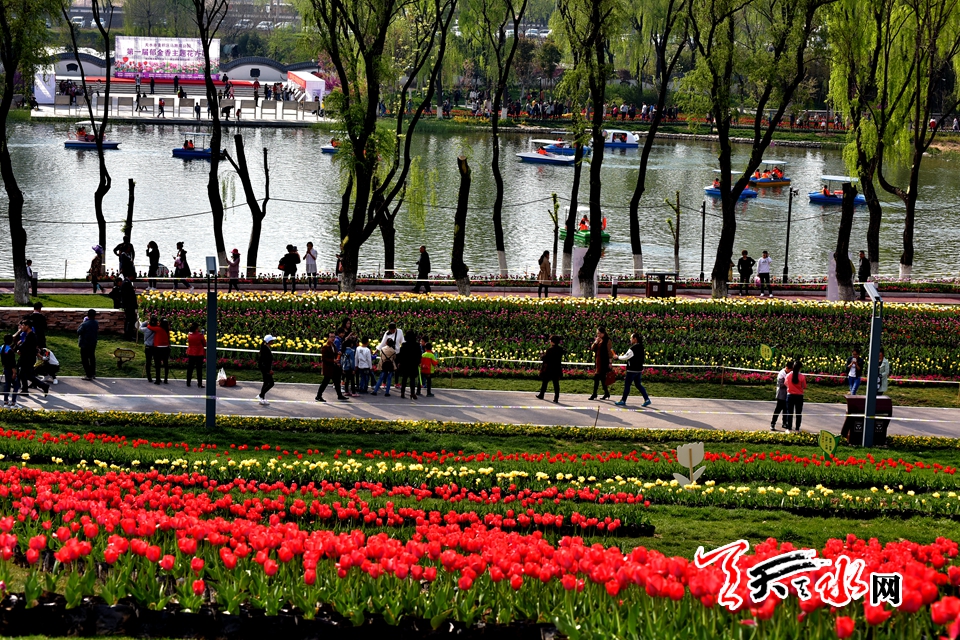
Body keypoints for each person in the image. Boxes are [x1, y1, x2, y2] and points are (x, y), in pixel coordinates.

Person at [615, 333, 651, 407]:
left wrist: (617, 357)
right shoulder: (641, 347)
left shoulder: (633, 348)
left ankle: (623, 400)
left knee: (627, 385)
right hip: (639, 370)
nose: (630, 339)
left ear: (635, 339)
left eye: (631, 338)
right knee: (638, 385)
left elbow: (626, 357)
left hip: (632, 370)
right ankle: (647, 399)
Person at [16, 319, 48, 398]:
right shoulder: (29, 335)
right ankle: (25, 390)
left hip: (28, 359)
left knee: (26, 375)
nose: (21, 327)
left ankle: (42, 386)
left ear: (27, 326)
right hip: (27, 358)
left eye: (23, 325)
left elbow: (25, 346)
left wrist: (18, 345)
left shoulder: (31, 336)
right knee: (24, 374)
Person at [316, 332, 348, 402]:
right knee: (325, 382)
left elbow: (335, 354)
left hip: (334, 368)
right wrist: (333, 361)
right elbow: (324, 358)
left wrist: (338, 355)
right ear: (328, 338)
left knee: (337, 382)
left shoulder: (333, 345)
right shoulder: (325, 347)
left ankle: (339, 395)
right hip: (328, 368)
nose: (333, 338)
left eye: (334, 337)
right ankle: (318, 396)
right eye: (331, 337)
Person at [534, 335, 566, 404]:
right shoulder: (560, 349)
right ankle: (556, 398)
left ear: (552, 342)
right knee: (556, 383)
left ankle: (541, 394)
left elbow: (545, 358)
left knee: (545, 382)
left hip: (549, 368)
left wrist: (541, 355)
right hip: (557, 368)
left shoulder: (550, 350)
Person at [589, 326, 614, 401]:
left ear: (603, 333)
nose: (598, 335)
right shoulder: (598, 340)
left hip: (604, 361)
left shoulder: (607, 340)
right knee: (601, 379)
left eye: (599, 333)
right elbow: (592, 348)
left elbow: (610, 351)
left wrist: (610, 362)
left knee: (598, 378)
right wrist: (595, 342)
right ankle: (606, 393)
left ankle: (595, 394)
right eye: (597, 333)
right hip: (598, 361)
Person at [784, 359, 807, 432]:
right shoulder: (802, 376)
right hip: (799, 396)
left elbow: (785, 383)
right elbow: (804, 386)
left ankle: (789, 428)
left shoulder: (788, 375)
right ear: (800, 368)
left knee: (789, 412)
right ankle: (797, 428)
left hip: (790, 395)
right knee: (798, 413)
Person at [770, 360, 793, 430]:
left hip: (787, 394)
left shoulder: (790, 373)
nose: (791, 371)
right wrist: (788, 383)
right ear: (787, 368)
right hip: (781, 394)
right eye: (790, 370)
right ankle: (773, 423)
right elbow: (781, 385)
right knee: (778, 409)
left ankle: (784, 423)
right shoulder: (781, 374)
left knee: (786, 410)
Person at [397, 331, 420, 400]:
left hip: (405, 364)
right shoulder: (417, 345)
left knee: (404, 379)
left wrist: (400, 362)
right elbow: (419, 355)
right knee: (412, 379)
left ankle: (402, 392)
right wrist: (418, 362)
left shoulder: (404, 345)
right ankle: (412, 393)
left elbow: (401, 355)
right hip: (413, 364)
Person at [77, 310, 99, 381]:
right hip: (93, 343)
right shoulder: (96, 323)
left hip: (84, 344)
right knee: (92, 358)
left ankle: (88, 375)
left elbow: (79, 332)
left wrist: (82, 323)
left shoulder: (85, 324)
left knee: (85, 360)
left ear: (88, 315)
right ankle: (93, 373)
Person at [256, 335, 277, 405]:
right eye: (272, 340)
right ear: (269, 341)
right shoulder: (265, 349)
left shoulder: (265, 348)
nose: (273, 341)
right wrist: (269, 370)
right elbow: (266, 361)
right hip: (265, 369)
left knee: (265, 383)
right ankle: (260, 395)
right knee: (271, 383)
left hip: (264, 368)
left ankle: (262, 398)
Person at [1, 335, 21, 408]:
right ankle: (13, 403)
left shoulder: (2, 348)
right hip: (11, 370)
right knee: (16, 385)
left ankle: (6, 402)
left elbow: (3, 359)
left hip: (6, 369)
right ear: (11, 341)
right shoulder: (10, 351)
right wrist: (14, 372)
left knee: (7, 385)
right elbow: (12, 363)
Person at [185, 323, 206, 388]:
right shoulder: (200, 335)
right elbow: (204, 344)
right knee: (199, 369)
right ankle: (199, 383)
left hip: (191, 353)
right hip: (199, 353)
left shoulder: (189, 335)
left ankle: (188, 382)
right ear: (197, 328)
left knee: (190, 368)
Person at [140, 315, 158, 383]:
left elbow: (140, 327)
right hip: (155, 347)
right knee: (156, 362)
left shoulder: (146, 329)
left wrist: (145, 322)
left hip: (148, 347)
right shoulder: (157, 329)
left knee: (148, 362)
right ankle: (157, 377)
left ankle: (149, 377)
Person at [120, 277, 138, 341]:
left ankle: (128, 334)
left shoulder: (126, 282)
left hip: (128, 305)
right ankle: (128, 335)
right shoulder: (127, 283)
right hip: (129, 305)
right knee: (130, 320)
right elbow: (130, 296)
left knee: (129, 320)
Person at [153, 319, 170, 384]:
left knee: (158, 364)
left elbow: (149, 327)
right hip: (166, 348)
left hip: (158, 348)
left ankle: (158, 379)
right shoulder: (167, 330)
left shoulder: (158, 329)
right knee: (166, 364)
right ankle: (166, 379)